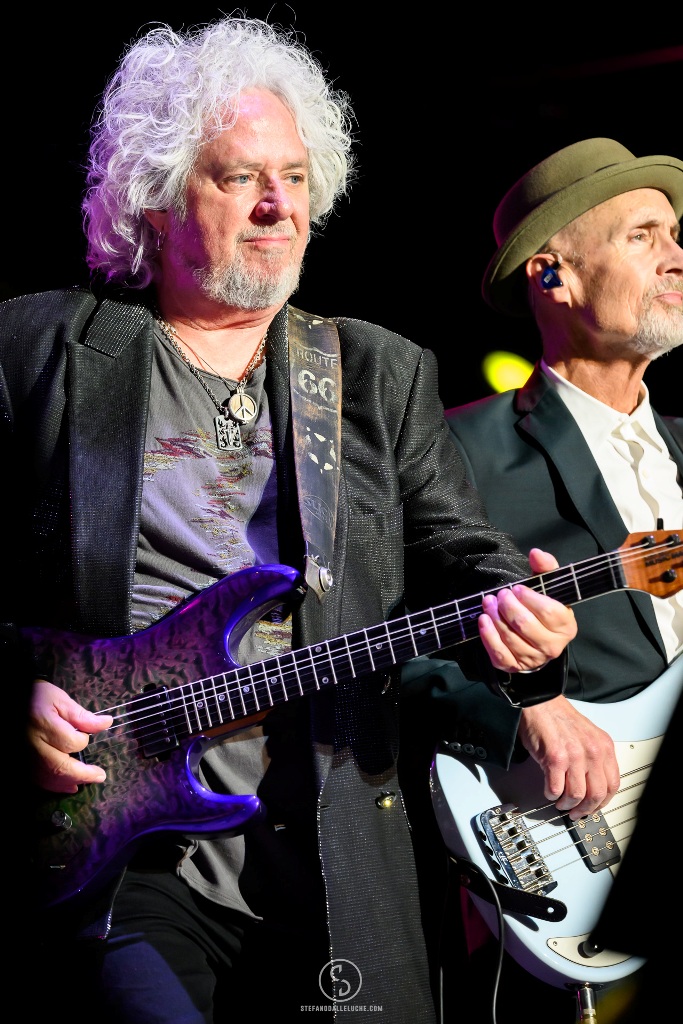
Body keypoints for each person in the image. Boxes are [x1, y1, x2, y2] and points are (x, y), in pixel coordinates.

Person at [1, 17, 578, 1024]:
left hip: (328, 855)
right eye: (240, 178)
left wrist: (516, 621)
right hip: (115, 854)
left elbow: (459, 551)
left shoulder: (374, 372)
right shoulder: (39, 349)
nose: (278, 205)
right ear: (157, 199)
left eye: (296, 178)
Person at [407, 138, 682, 1021]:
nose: (676, 257)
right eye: (642, 235)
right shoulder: (454, 449)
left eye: (674, 235)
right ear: (552, 274)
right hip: (573, 850)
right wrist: (524, 710)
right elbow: (382, 649)